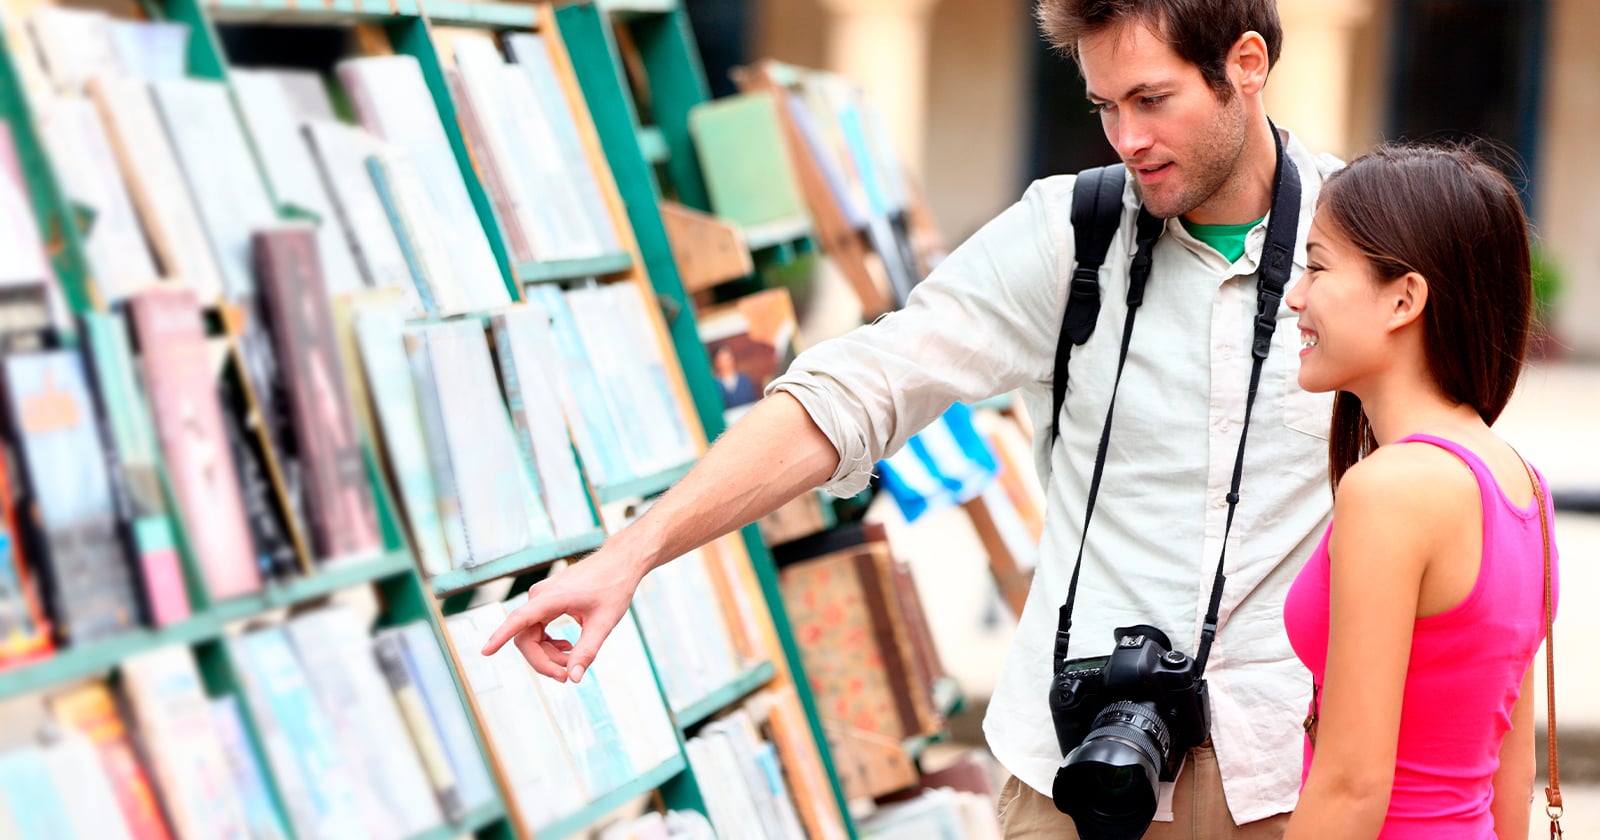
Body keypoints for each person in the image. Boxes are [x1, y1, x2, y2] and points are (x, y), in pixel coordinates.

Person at [483, 0, 1341, 836]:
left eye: (1152, 100)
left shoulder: (1371, 244)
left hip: (1292, 783)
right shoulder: (1068, 232)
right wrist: (630, 555)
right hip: (1066, 784)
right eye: (1105, 107)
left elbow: (1463, 490)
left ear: (1247, 64)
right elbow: (855, 388)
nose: (1127, 140)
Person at [1280, 144, 1556, 839]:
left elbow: (1350, 788)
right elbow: (1509, 776)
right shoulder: (1520, 482)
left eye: (1316, 265)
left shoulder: (1392, 490)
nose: (1296, 295)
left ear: (1403, 297)